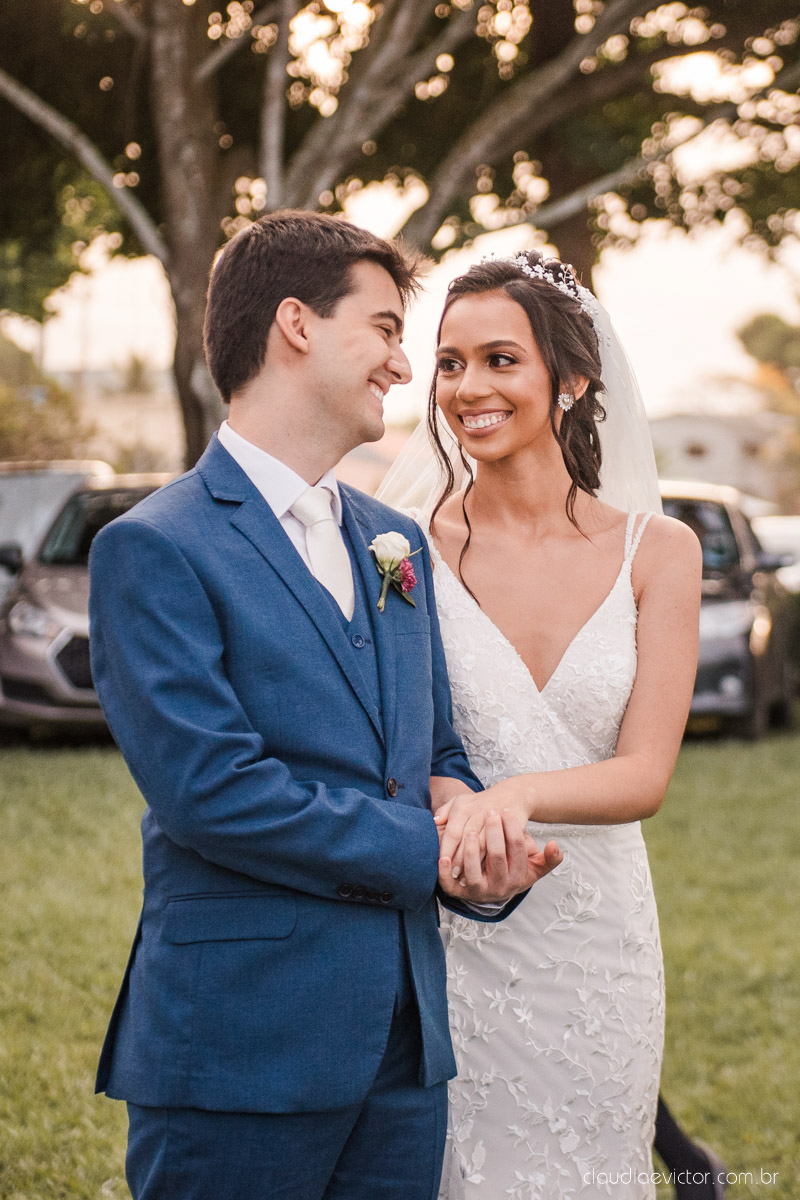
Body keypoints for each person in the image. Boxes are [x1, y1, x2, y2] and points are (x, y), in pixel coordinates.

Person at [88, 212, 563, 1200]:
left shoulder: (394, 543)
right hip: (240, 1043)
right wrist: (426, 849)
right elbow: (212, 793)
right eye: (385, 329)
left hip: (404, 1048)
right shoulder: (154, 547)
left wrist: (477, 840)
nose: (403, 365)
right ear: (296, 324)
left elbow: (432, 750)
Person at [377, 251, 702, 1199]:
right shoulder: (400, 548)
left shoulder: (659, 552)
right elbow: (395, 735)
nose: (468, 388)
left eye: (500, 360)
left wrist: (512, 795)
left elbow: (644, 774)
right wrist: (463, 815)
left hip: (597, 944)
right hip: (453, 926)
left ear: (574, 380)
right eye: (450, 363)